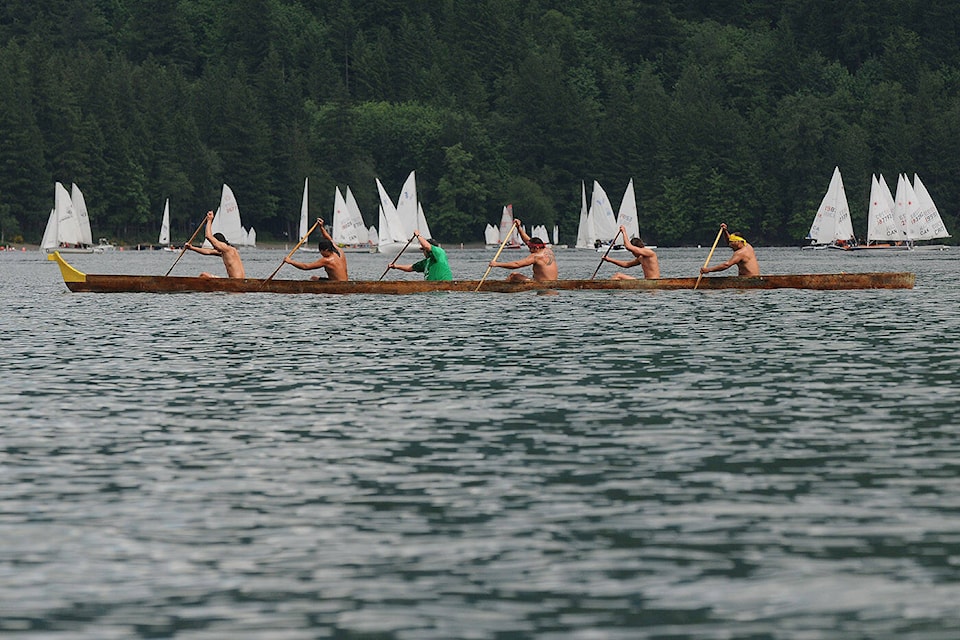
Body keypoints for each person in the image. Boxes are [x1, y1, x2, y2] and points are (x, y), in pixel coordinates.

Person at [488, 219, 558, 282]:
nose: (529, 250)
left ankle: (502, 288)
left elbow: (516, 264)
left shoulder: (536, 256)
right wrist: (518, 228)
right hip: (552, 283)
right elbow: (527, 240)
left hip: (541, 284)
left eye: (530, 248)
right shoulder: (548, 250)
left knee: (513, 275)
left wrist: (496, 264)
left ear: (536, 247)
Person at [184, 211, 245, 278]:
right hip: (236, 281)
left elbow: (208, 236)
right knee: (204, 275)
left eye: (215, 246)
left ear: (220, 242)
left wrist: (209, 220)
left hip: (236, 282)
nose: (215, 248)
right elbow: (208, 252)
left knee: (203, 275)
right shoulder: (225, 252)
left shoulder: (227, 249)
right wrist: (191, 247)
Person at [282, 218, 348, 281]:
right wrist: (321, 227)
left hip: (336, 284)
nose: (321, 254)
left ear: (326, 250)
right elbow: (329, 238)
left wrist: (290, 261)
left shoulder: (327, 260)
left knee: (313, 279)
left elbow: (306, 267)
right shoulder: (339, 251)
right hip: (345, 282)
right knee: (314, 278)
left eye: (321, 252)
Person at [387, 231, 452, 280]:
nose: (423, 252)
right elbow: (411, 268)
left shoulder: (439, 252)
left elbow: (427, 246)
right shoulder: (426, 262)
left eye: (423, 250)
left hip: (443, 287)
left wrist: (418, 235)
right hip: (431, 289)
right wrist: (395, 266)